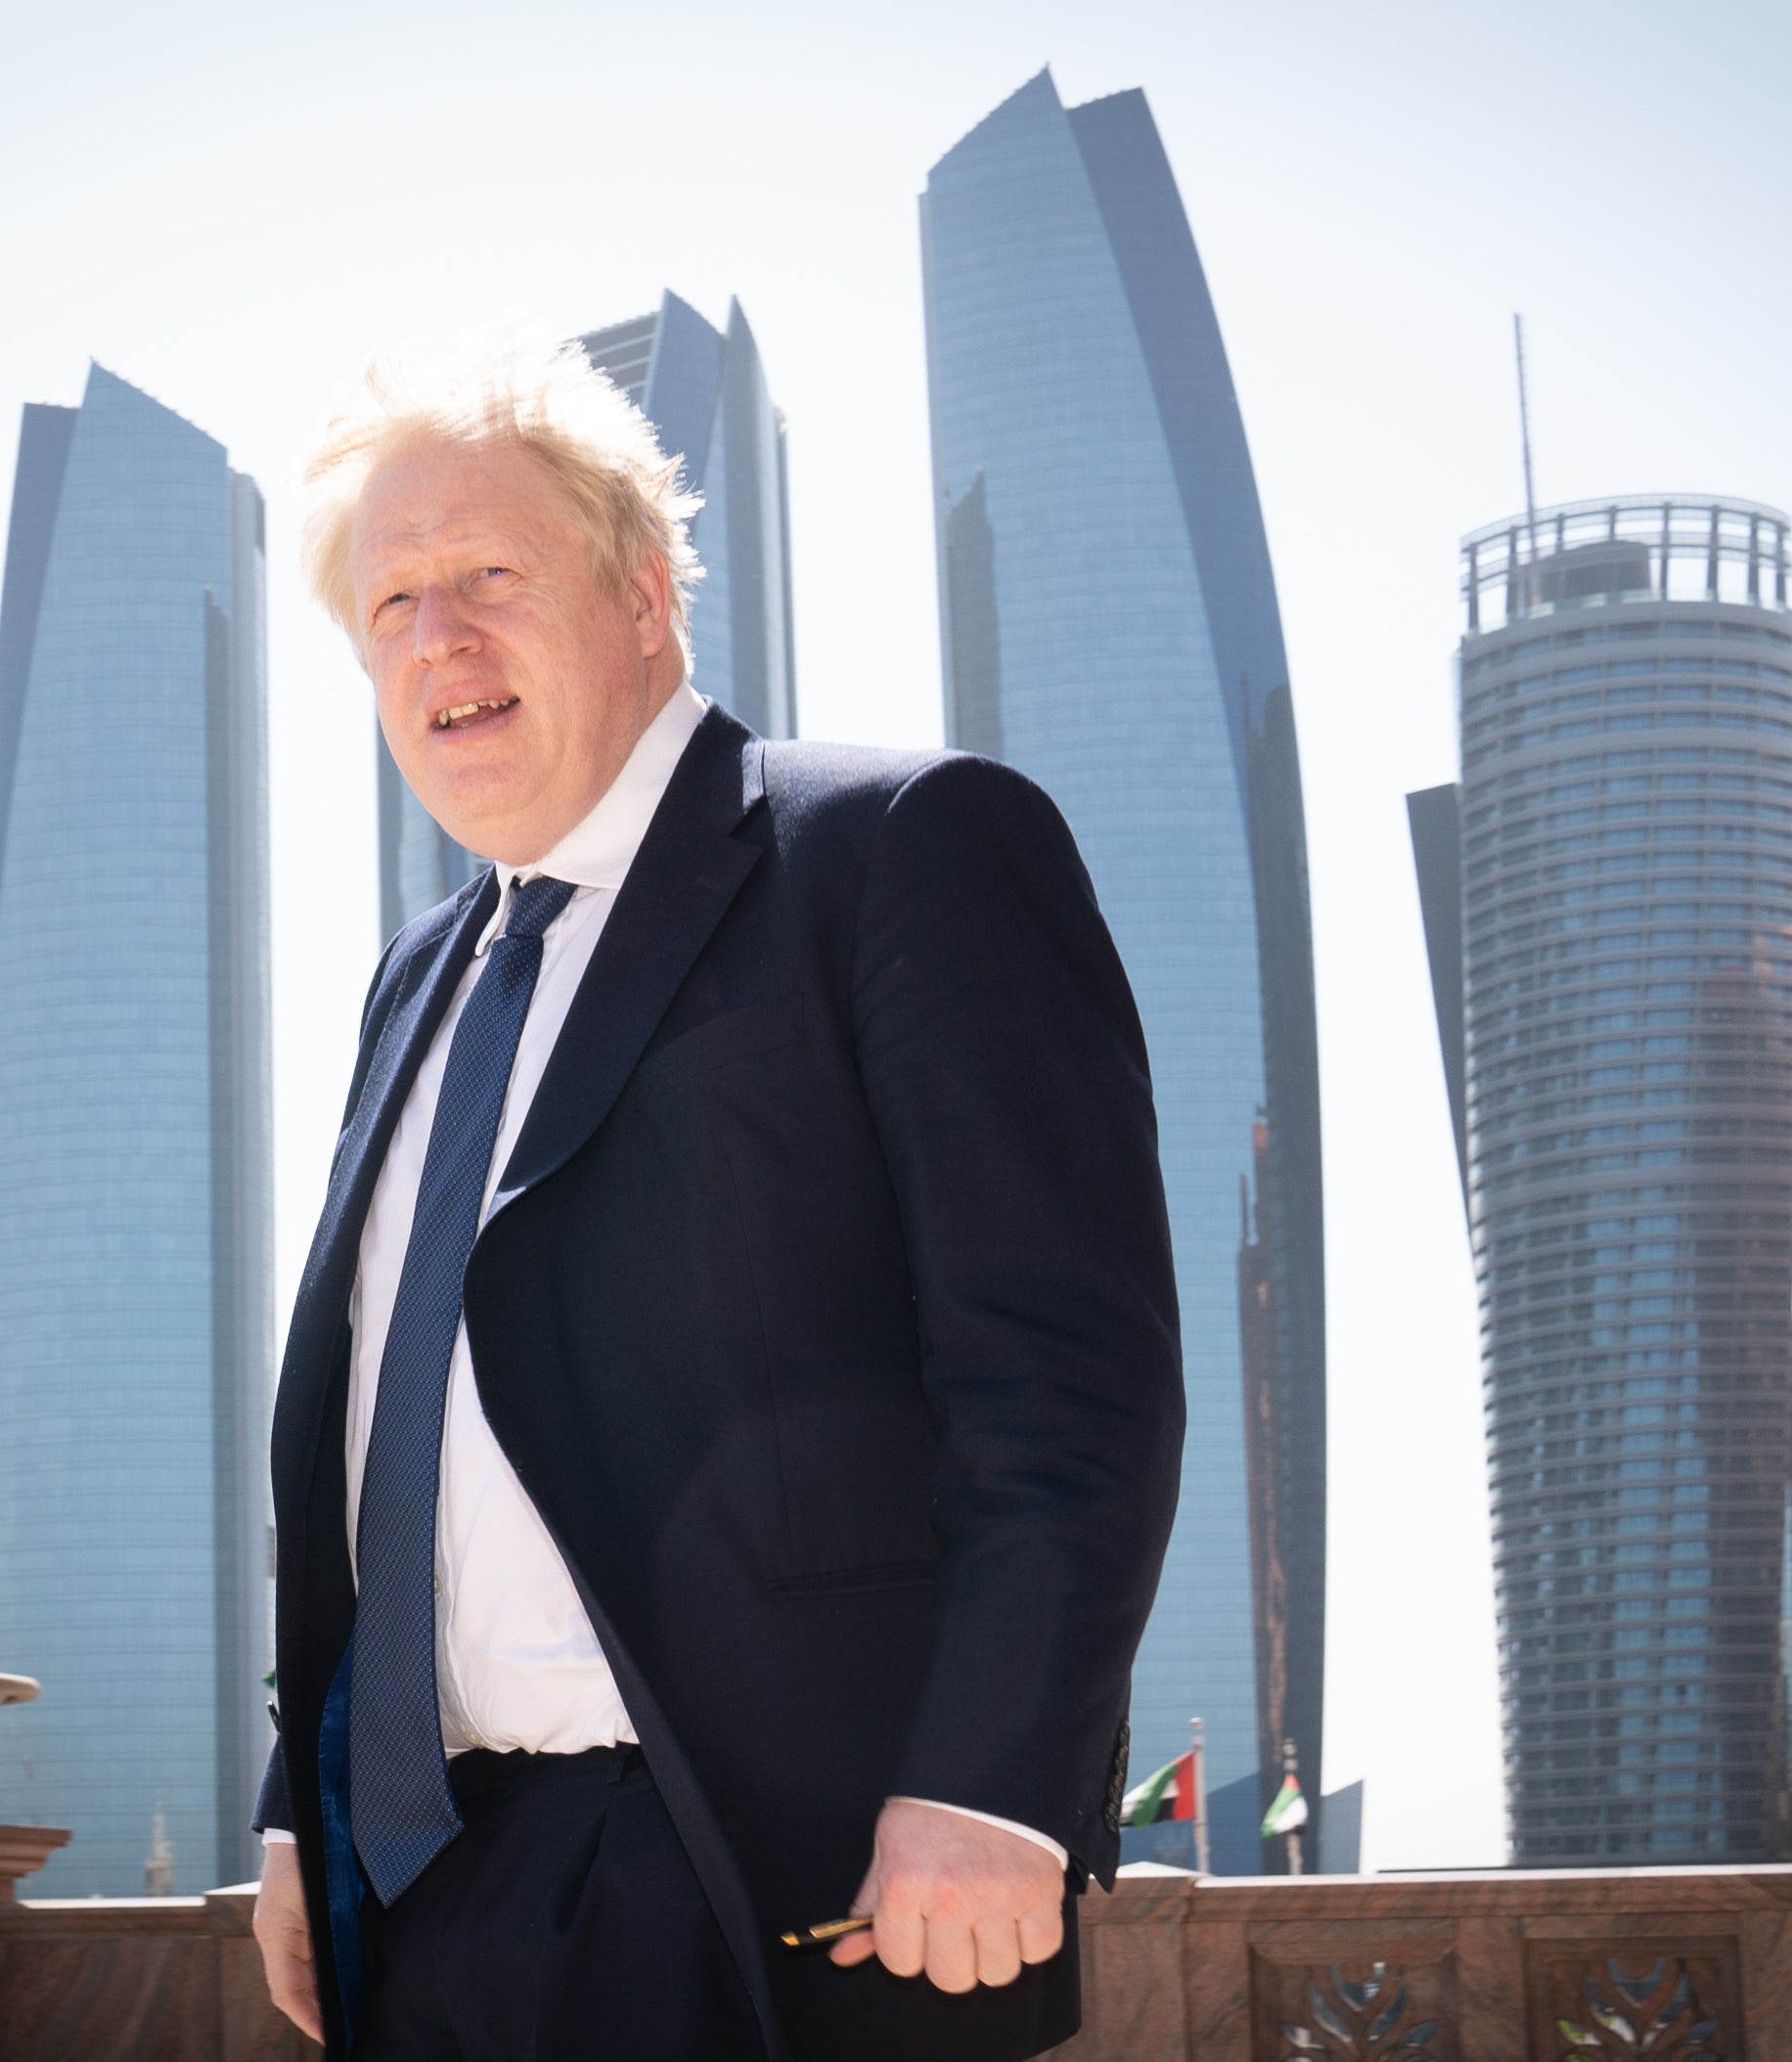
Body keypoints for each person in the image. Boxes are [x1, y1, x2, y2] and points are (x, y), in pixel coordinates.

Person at [247, 337, 1184, 2062]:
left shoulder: (901, 848)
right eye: (389, 605)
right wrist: (299, 1810)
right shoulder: (414, 989)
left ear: (645, 594)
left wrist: (995, 1787)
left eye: (489, 577)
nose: (436, 638)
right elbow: (384, 1442)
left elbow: (1065, 1380)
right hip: (436, 1896)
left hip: (786, 1891)